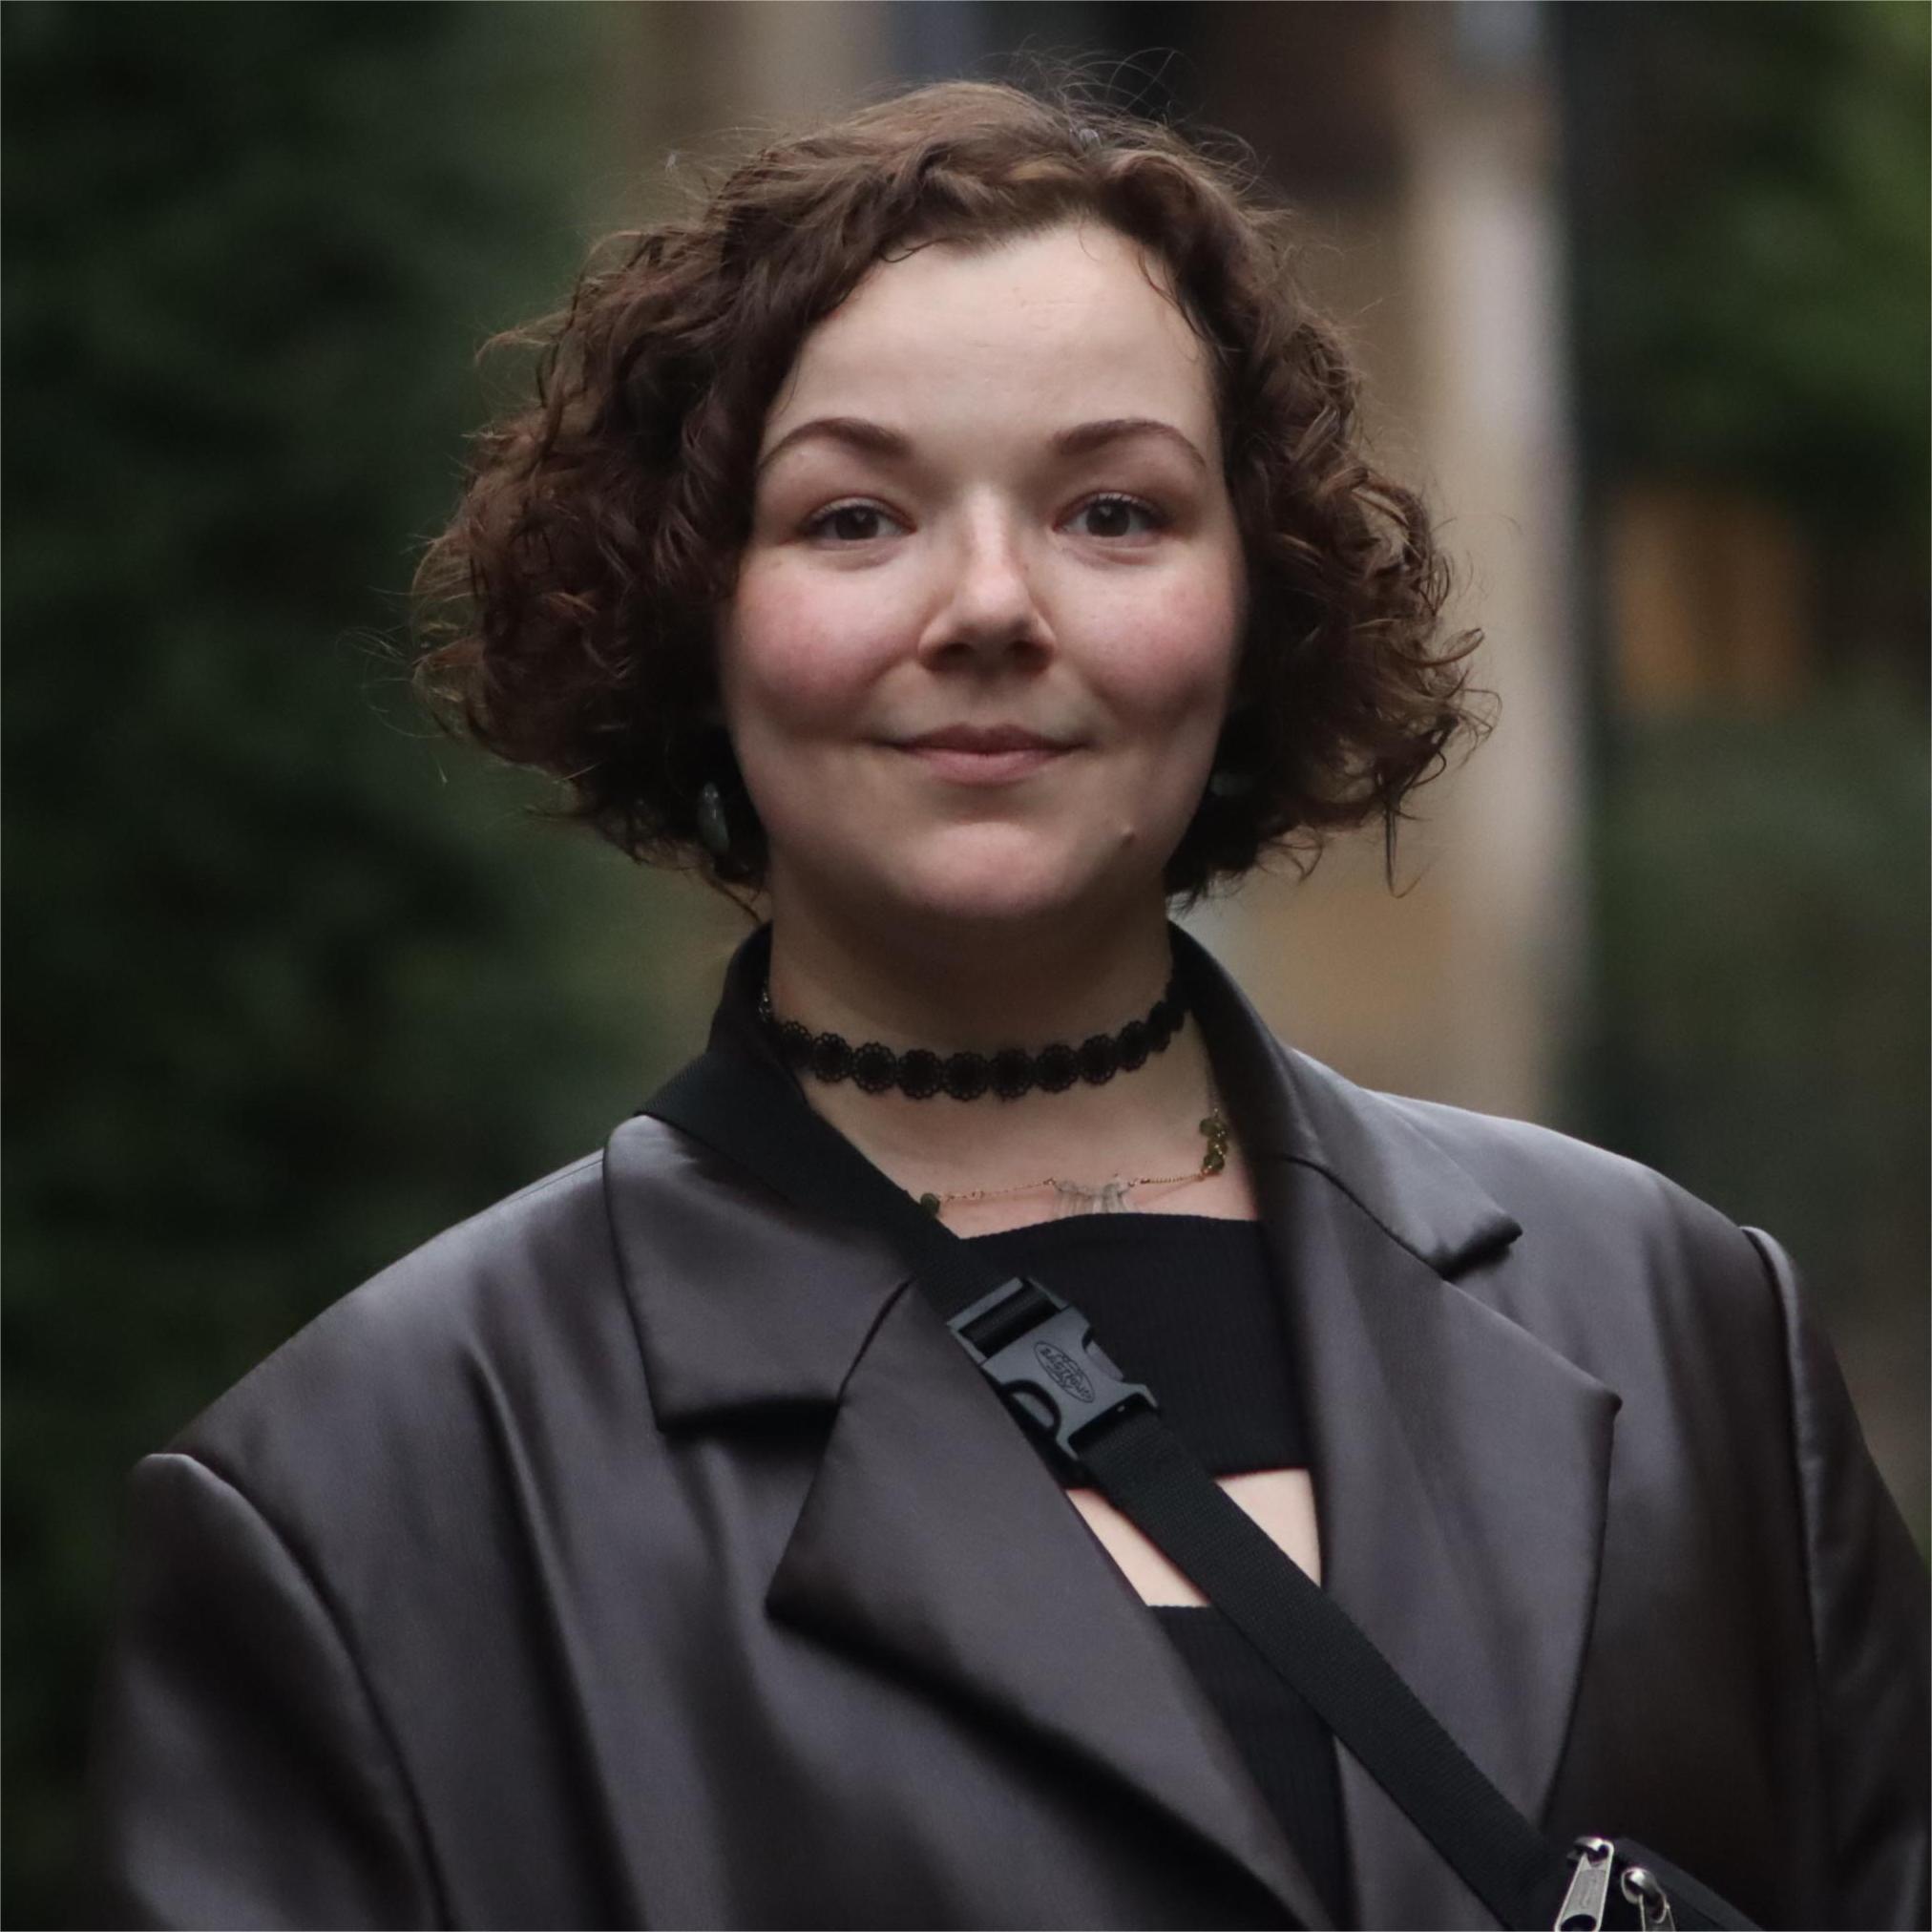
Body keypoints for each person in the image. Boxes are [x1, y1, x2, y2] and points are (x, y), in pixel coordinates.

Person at [84, 79, 1927, 1932]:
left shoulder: (1688, 1327)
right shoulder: (366, 1501)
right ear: (687, 612)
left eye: (1112, 510)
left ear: (1257, 601)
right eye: (855, 516)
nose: (989, 604)